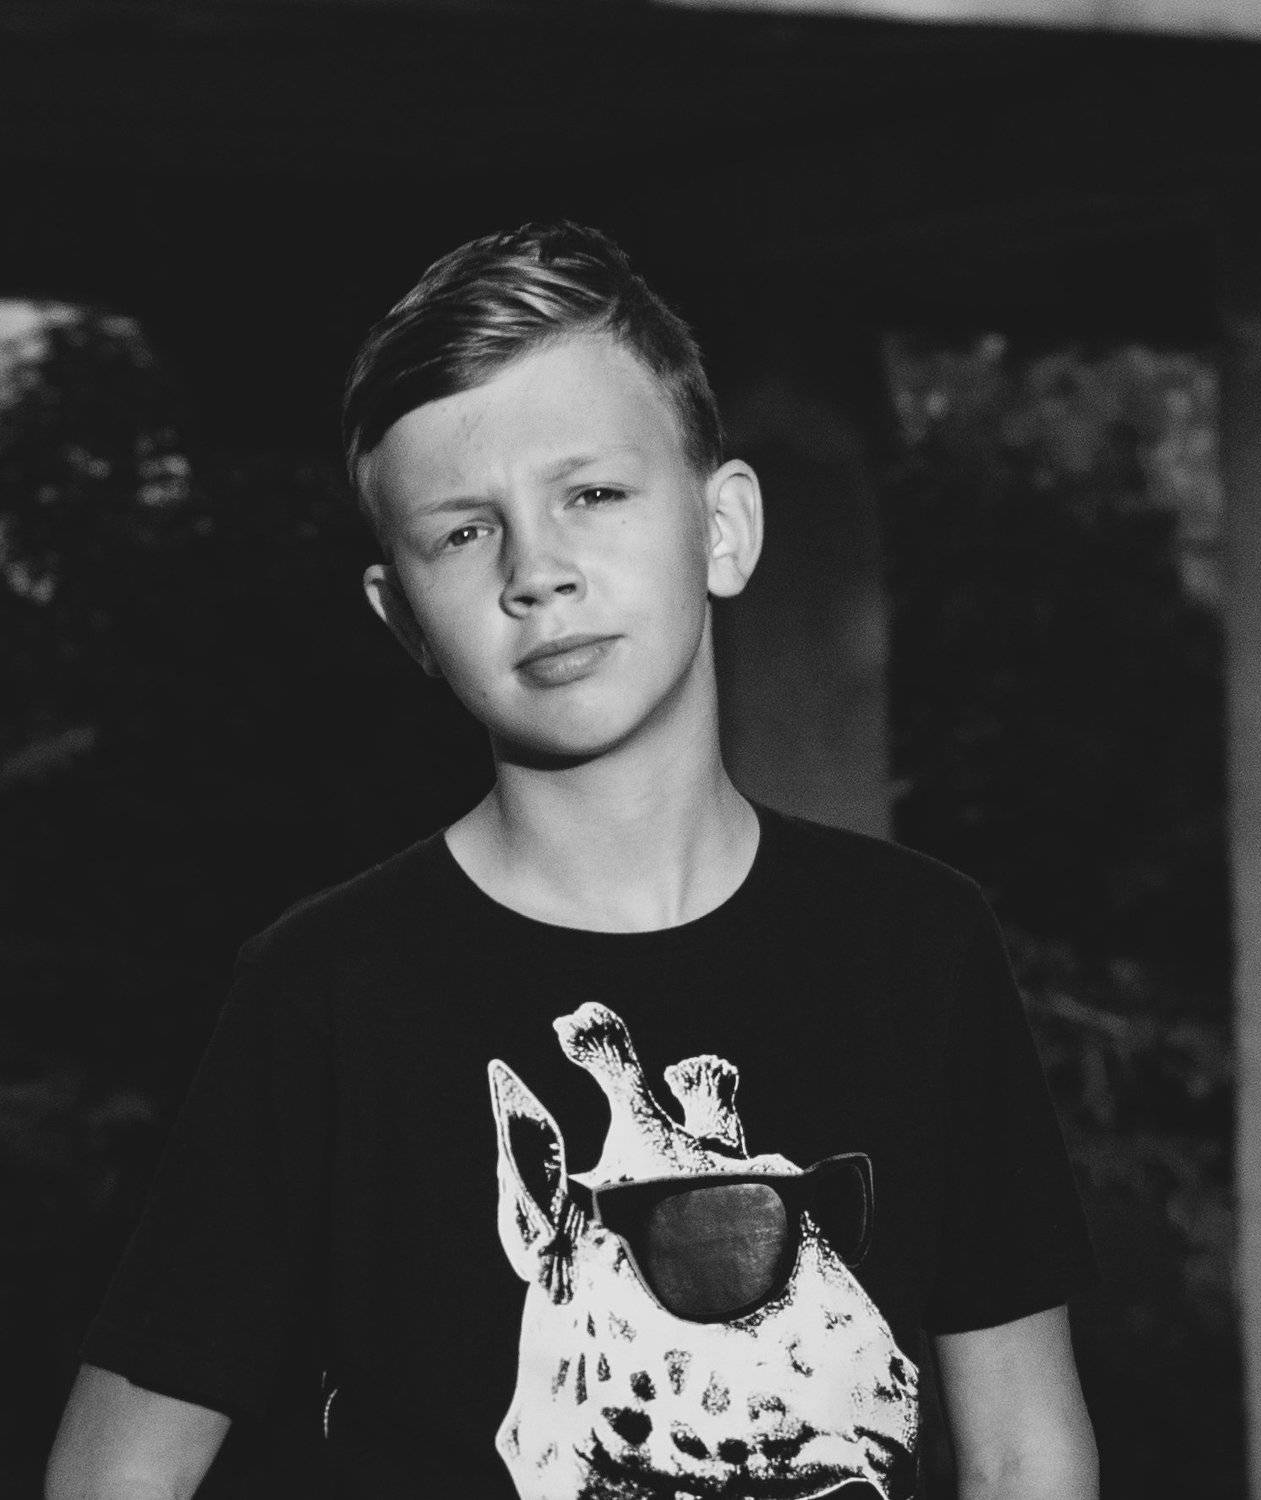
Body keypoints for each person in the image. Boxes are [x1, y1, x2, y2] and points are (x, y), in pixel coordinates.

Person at [46, 222, 1098, 1500]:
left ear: (724, 528)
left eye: (591, 494)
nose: (538, 571)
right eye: (462, 533)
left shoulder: (920, 945)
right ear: (404, 619)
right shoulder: (325, 990)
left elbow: (1025, 1448)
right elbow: (113, 1471)